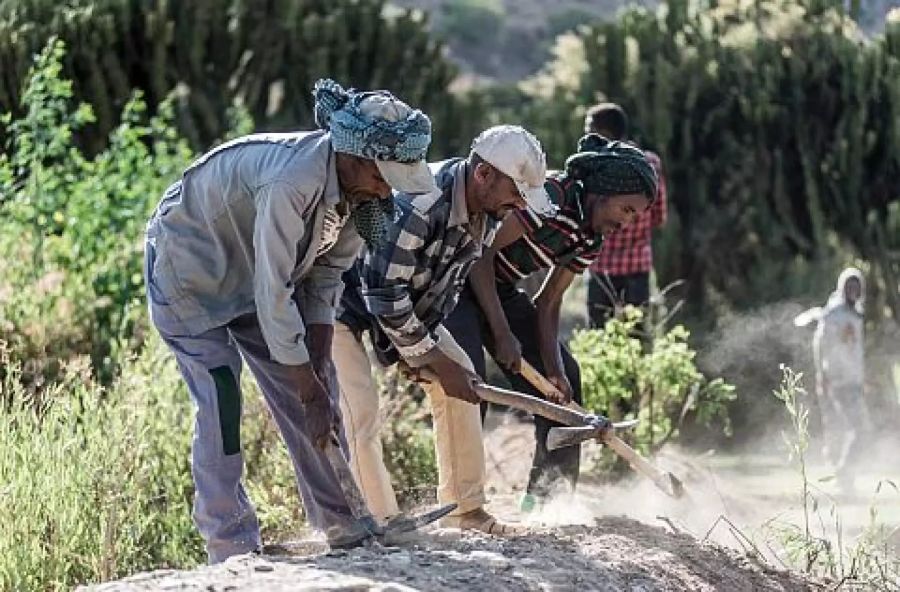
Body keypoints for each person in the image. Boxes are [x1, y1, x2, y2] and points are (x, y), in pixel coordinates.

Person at [143, 78, 438, 563]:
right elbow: (272, 287)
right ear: (356, 158)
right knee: (222, 404)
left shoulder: (363, 200)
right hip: (192, 278)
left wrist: (316, 369)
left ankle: (343, 522)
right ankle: (231, 546)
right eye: (386, 175)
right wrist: (306, 384)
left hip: (258, 286)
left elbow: (325, 280)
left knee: (322, 392)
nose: (390, 189)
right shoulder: (292, 181)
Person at [334, 125, 554, 534]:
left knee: (462, 378)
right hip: (338, 304)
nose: (518, 205)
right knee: (359, 414)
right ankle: (381, 525)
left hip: (401, 307)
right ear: (484, 174)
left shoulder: (486, 213)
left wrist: (427, 356)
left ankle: (464, 511)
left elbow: (444, 289)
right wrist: (424, 354)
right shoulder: (420, 204)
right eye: (515, 192)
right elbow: (381, 290)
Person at [445, 133, 658, 511]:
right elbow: (482, 253)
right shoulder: (553, 196)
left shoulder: (590, 239)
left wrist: (554, 371)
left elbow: (548, 303)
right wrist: (502, 333)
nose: (627, 223)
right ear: (605, 193)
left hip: (502, 292)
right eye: (627, 210)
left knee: (564, 385)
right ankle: (463, 506)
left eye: (635, 216)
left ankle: (544, 504)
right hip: (460, 283)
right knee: (469, 386)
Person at [583, 103, 668, 329]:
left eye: (589, 129)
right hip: (638, 265)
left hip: (601, 266)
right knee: (638, 337)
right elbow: (659, 216)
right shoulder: (651, 163)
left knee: (597, 337)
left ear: (605, 133)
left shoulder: (595, 164)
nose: (586, 135)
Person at [795, 267, 870, 492]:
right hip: (839, 381)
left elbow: (854, 350)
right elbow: (821, 344)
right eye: (849, 285)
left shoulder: (855, 313)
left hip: (853, 380)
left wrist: (861, 378)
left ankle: (845, 476)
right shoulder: (834, 313)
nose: (853, 290)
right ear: (842, 287)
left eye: (857, 285)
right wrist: (822, 375)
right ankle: (844, 475)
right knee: (859, 429)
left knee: (854, 430)